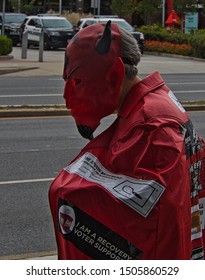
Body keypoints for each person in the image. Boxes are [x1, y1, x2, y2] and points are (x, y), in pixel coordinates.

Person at [49, 21, 205, 260]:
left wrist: (67, 190)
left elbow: (158, 218)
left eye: (78, 82)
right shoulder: (156, 104)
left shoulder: (151, 124)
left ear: (114, 75)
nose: (67, 97)